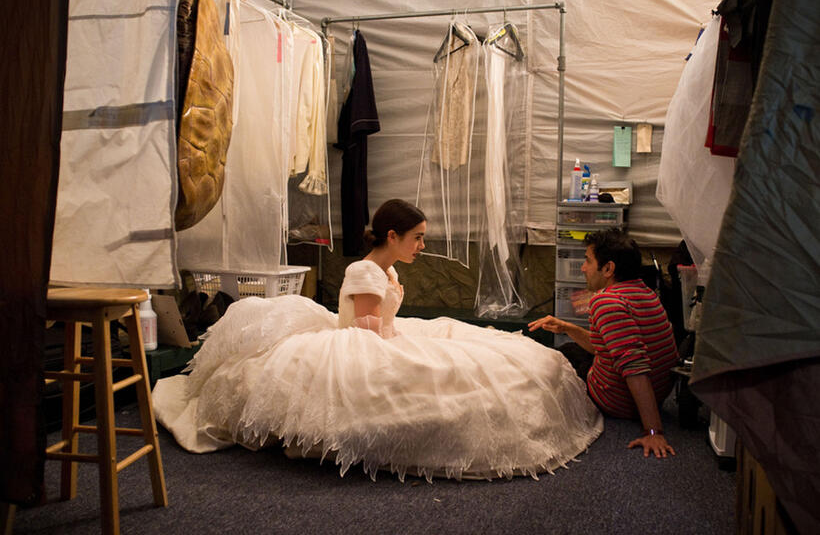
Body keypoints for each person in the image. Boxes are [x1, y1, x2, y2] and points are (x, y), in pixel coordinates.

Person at [153, 199, 603, 481]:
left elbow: (382, 321)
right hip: (360, 341)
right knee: (437, 371)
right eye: (418, 238)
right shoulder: (364, 270)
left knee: (485, 358)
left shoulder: (385, 269)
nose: (422, 246)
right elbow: (365, 329)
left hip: (380, 333)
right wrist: (405, 349)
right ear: (393, 236)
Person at [528, 228, 679, 459]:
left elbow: (634, 367)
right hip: (658, 394)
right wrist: (568, 328)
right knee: (571, 347)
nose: (583, 268)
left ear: (608, 268)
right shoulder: (645, 293)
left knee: (553, 361)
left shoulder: (606, 302)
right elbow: (607, 347)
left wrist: (653, 430)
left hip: (618, 402)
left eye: (588, 261)